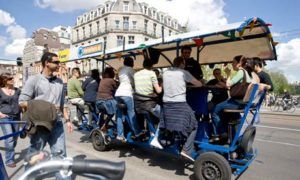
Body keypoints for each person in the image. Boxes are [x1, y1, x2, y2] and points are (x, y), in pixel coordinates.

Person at [19, 52, 73, 179]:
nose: (59, 64)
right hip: (40, 124)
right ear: (46, 63)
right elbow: (21, 102)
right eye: (56, 62)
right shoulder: (34, 80)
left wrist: (68, 120)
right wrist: (45, 107)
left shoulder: (60, 82)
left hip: (57, 123)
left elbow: (62, 103)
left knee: (60, 155)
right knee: (34, 155)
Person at [159, 57, 202, 161]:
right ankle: (186, 150)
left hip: (166, 104)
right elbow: (199, 84)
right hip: (179, 104)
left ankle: (179, 138)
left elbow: (164, 86)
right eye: (184, 63)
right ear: (182, 63)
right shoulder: (184, 73)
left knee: (178, 123)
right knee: (194, 124)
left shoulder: (165, 73)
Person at [211, 56, 255, 140]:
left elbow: (228, 84)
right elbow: (232, 85)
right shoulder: (247, 72)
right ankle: (228, 132)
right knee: (224, 112)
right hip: (241, 101)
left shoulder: (241, 72)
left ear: (239, 64)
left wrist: (228, 74)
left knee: (215, 110)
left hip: (237, 102)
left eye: (233, 63)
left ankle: (221, 134)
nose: (232, 64)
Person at [115, 57, 141, 141]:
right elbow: (136, 81)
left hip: (118, 93)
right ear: (131, 63)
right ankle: (137, 132)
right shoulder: (131, 70)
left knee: (119, 114)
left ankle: (120, 134)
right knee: (131, 113)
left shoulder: (121, 70)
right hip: (127, 93)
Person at [134, 60, 162, 135]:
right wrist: (162, 86)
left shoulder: (136, 74)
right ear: (152, 66)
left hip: (138, 104)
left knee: (149, 117)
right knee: (166, 114)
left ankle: (152, 133)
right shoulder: (152, 73)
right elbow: (158, 91)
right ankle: (158, 135)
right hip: (149, 103)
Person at [0, 73, 21, 168]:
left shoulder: (17, 90)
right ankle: (9, 160)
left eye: (12, 78)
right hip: (5, 117)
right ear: (4, 80)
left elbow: (22, 102)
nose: (12, 79)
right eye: (9, 78)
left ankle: (9, 152)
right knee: (9, 138)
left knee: (15, 138)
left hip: (16, 116)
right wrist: (0, 114)